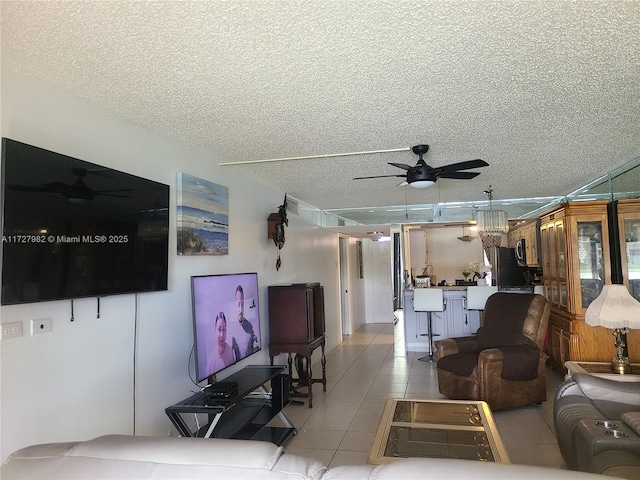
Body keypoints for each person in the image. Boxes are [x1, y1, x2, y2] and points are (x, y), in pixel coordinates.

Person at [231, 285, 258, 360]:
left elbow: (255, 346)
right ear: (234, 305)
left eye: (242, 304)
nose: (240, 309)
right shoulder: (230, 330)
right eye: (238, 304)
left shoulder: (249, 325)